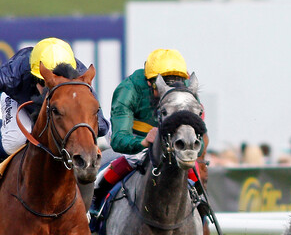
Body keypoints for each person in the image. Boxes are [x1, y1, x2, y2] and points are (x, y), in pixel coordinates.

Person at [0, 37, 110, 212]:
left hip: (58, 107)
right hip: (16, 100)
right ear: (33, 74)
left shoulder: (79, 78)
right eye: (42, 82)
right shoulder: (13, 74)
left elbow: (102, 125)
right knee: (15, 140)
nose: (46, 89)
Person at [88, 49, 205, 217]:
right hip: (132, 135)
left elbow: (197, 145)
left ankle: (201, 211)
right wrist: (143, 142)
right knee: (136, 157)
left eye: (176, 83)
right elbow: (119, 140)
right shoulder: (128, 90)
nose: (170, 90)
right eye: (164, 84)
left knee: (191, 166)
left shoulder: (185, 91)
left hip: (172, 136)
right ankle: (96, 200)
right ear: (150, 83)